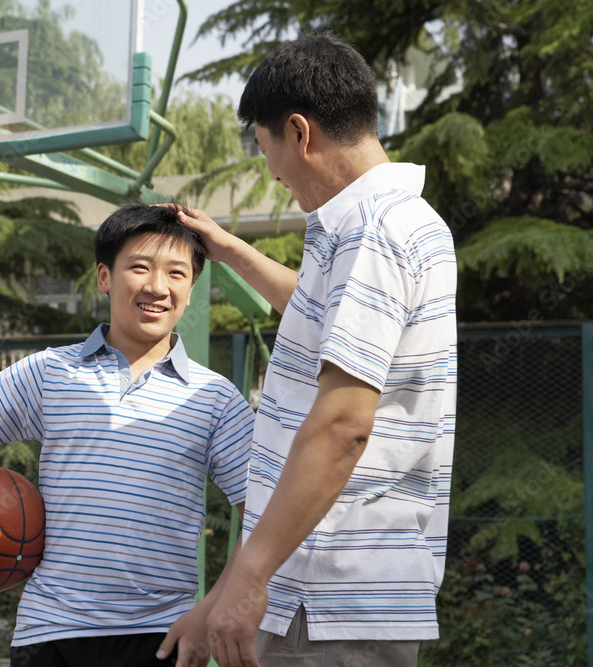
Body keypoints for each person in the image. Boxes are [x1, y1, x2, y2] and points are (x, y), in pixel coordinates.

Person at [165, 31, 458, 667]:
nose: (273, 175)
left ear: (300, 133)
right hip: (329, 589)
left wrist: (247, 579)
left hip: (324, 594)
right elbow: (327, 311)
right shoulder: (391, 222)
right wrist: (235, 251)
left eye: (270, 153)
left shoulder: (374, 232)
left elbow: (342, 427)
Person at [0, 203, 256, 667]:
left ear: (191, 287)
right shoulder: (51, 371)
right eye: (139, 267)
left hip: (161, 633)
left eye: (176, 273)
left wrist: (211, 611)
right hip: (51, 629)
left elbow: (259, 512)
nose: (156, 287)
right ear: (104, 277)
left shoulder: (215, 397)